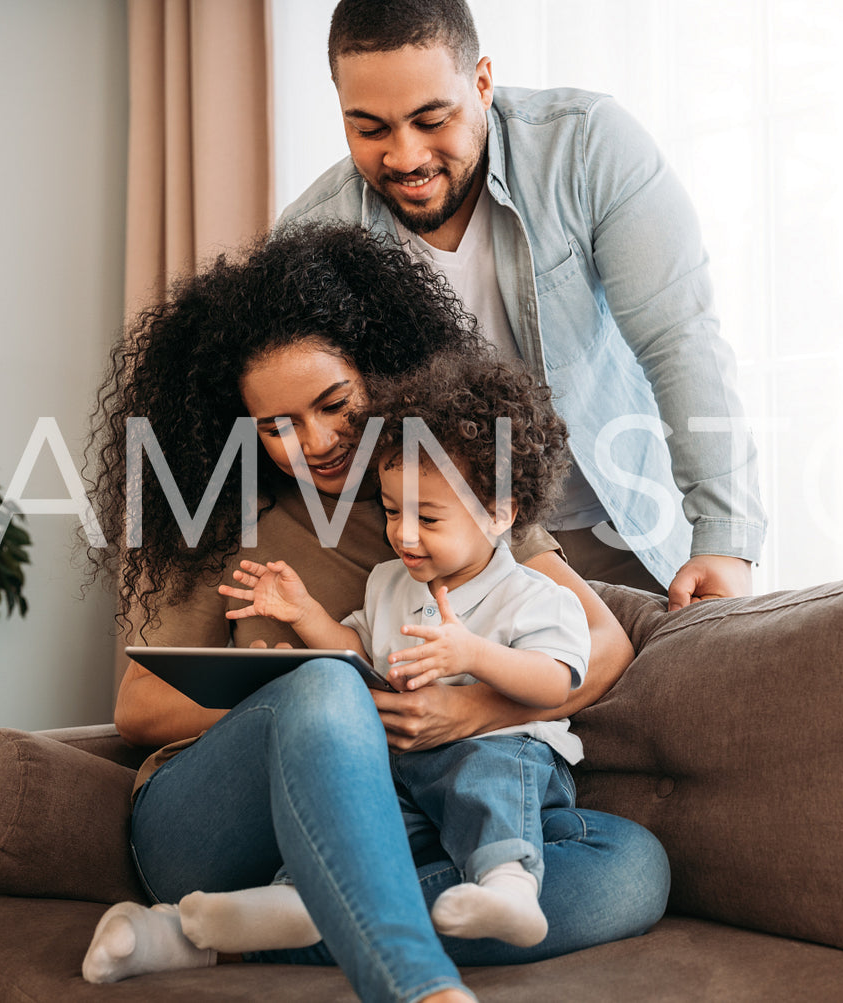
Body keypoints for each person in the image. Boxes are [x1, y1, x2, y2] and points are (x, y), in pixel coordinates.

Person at [76, 222, 669, 1002]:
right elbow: (140, 706)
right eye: (277, 426)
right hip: (216, 826)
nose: (313, 442)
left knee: (627, 867)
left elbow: (601, 644)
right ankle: (413, 982)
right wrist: (312, 707)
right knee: (324, 682)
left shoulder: (455, 482)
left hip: (412, 800)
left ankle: (215, 937)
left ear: (378, 371)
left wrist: (466, 712)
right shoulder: (215, 513)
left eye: (333, 404)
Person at [279, 0, 768, 610]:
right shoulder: (312, 236)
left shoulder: (586, 146)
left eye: (432, 119)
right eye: (370, 129)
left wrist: (724, 539)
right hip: (450, 555)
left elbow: (680, 341)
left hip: (621, 523)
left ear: (481, 82)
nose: (405, 158)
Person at [207, 353, 588, 951]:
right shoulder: (388, 582)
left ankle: (509, 886)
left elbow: (556, 684)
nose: (404, 534)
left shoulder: (534, 596)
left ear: (498, 514)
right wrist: (304, 614)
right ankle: (299, 899)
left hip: (503, 757)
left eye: (428, 518)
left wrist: (472, 655)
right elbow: (356, 650)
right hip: (409, 766)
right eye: (391, 511)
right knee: (362, 804)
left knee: (484, 775)